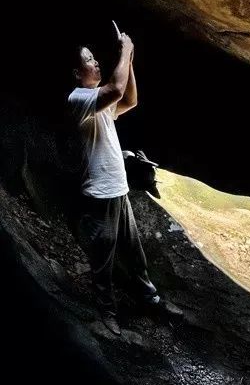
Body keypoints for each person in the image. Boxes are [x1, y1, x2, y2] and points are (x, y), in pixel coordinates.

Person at [68, 31, 178, 335]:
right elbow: (116, 90)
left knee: (134, 252)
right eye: (89, 60)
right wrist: (126, 50)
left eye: (94, 57)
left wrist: (128, 60)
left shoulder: (98, 101)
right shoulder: (78, 99)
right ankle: (106, 311)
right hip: (100, 195)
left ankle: (149, 298)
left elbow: (129, 99)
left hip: (119, 191)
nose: (96, 62)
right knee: (103, 258)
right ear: (77, 73)